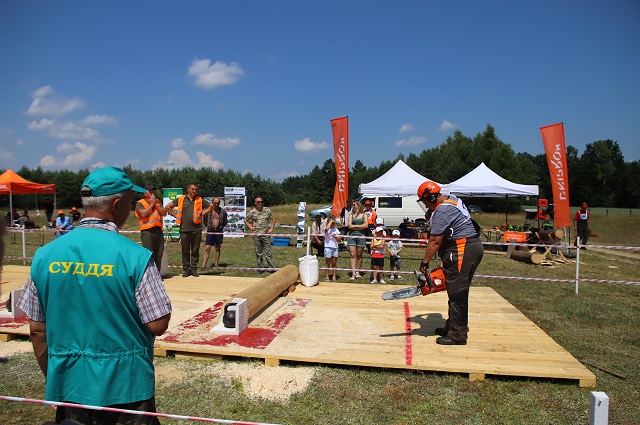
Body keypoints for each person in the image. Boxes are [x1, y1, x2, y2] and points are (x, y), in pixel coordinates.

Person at [16, 166, 172, 425]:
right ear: (117, 205)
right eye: (129, 203)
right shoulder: (136, 257)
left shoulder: (44, 255)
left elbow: (37, 330)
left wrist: (57, 375)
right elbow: (158, 324)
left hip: (70, 385)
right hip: (127, 387)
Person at [417, 181, 484, 346]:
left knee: (458, 291)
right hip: (469, 247)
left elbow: (435, 240)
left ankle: (457, 334)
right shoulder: (452, 199)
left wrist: (424, 263)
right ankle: (452, 325)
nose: (426, 206)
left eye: (425, 202)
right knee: (455, 288)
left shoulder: (442, 211)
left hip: (462, 248)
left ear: (431, 198)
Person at [165, 183, 214, 277]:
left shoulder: (199, 199)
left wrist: (203, 213)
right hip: (184, 229)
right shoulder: (181, 199)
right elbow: (168, 207)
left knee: (195, 250)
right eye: (193, 189)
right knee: (185, 250)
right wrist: (176, 216)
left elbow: (211, 207)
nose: (194, 191)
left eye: (196, 189)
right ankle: (186, 269)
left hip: (197, 229)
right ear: (188, 189)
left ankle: (194, 269)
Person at [135, 184, 168, 272]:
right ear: (145, 193)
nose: (152, 193)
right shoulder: (140, 203)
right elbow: (143, 214)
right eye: (150, 191)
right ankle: (149, 273)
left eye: (153, 191)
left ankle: (157, 273)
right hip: (147, 231)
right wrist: (151, 204)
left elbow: (164, 213)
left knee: (159, 253)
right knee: (149, 253)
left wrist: (156, 205)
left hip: (158, 231)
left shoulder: (157, 202)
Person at [244, 197, 276, 273]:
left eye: (261, 202)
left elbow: (273, 219)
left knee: (268, 252)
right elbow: (245, 220)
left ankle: (271, 267)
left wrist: (271, 228)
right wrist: (250, 227)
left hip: (265, 234)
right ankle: (260, 268)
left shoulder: (267, 210)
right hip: (256, 235)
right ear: (255, 203)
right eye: (258, 202)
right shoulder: (252, 212)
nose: (260, 203)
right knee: (258, 252)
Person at [202, 197, 228, 269]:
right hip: (210, 231)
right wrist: (209, 226)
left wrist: (220, 227)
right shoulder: (208, 211)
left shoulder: (223, 211)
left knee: (217, 247)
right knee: (207, 248)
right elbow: (204, 221)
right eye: (215, 203)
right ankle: (204, 265)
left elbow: (225, 222)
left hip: (219, 231)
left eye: (217, 203)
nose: (216, 204)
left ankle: (216, 264)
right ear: (212, 203)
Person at [347, 200, 369, 281]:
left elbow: (366, 225)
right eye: (352, 205)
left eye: (354, 205)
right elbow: (349, 226)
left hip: (361, 236)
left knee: (359, 255)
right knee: (352, 255)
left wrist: (354, 226)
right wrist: (360, 226)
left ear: (358, 206)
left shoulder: (364, 215)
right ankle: (353, 272)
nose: (353, 206)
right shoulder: (351, 215)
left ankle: (357, 271)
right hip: (352, 236)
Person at [323, 217, 342, 281]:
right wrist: (330, 221)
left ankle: (334, 276)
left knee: (334, 263)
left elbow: (339, 240)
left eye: (334, 222)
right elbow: (326, 229)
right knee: (327, 263)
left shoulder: (336, 230)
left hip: (335, 247)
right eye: (332, 222)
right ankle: (327, 276)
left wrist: (336, 237)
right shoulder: (326, 229)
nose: (333, 224)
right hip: (328, 247)